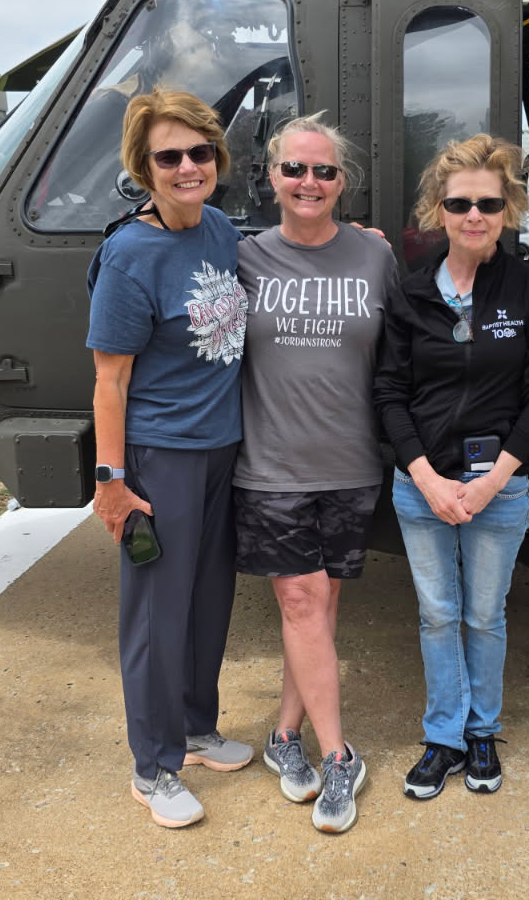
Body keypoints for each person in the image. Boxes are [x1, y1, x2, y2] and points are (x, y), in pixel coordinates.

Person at [374, 135, 529, 801]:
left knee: (484, 615)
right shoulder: (409, 293)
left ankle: (483, 730)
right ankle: (443, 738)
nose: (474, 215)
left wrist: (493, 480)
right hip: (420, 485)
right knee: (436, 613)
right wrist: (426, 477)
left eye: (489, 202)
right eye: (460, 203)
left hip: (500, 487)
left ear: (509, 207)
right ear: (438, 208)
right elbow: (389, 395)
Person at [87, 87, 252, 829]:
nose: (188, 166)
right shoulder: (129, 254)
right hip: (162, 455)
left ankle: (194, 730)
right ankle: (151, 766)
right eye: (169, 156)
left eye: (200, 152)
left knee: (209, 602)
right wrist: (112, 482)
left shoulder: (217, 228)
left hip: (223, 449)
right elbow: (110, 379)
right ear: (144, 168)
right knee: (157, 615)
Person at [232, 114, 398, 835]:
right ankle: (339, 757)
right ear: (271, 177)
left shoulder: (375, 258)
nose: (309, 182)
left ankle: (280, 737)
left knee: (319, 614)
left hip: (352, 463)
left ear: (342, 183)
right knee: (300, 605)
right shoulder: (242, 258)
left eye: (324, 171)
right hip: (270, 468)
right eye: (295, 169)